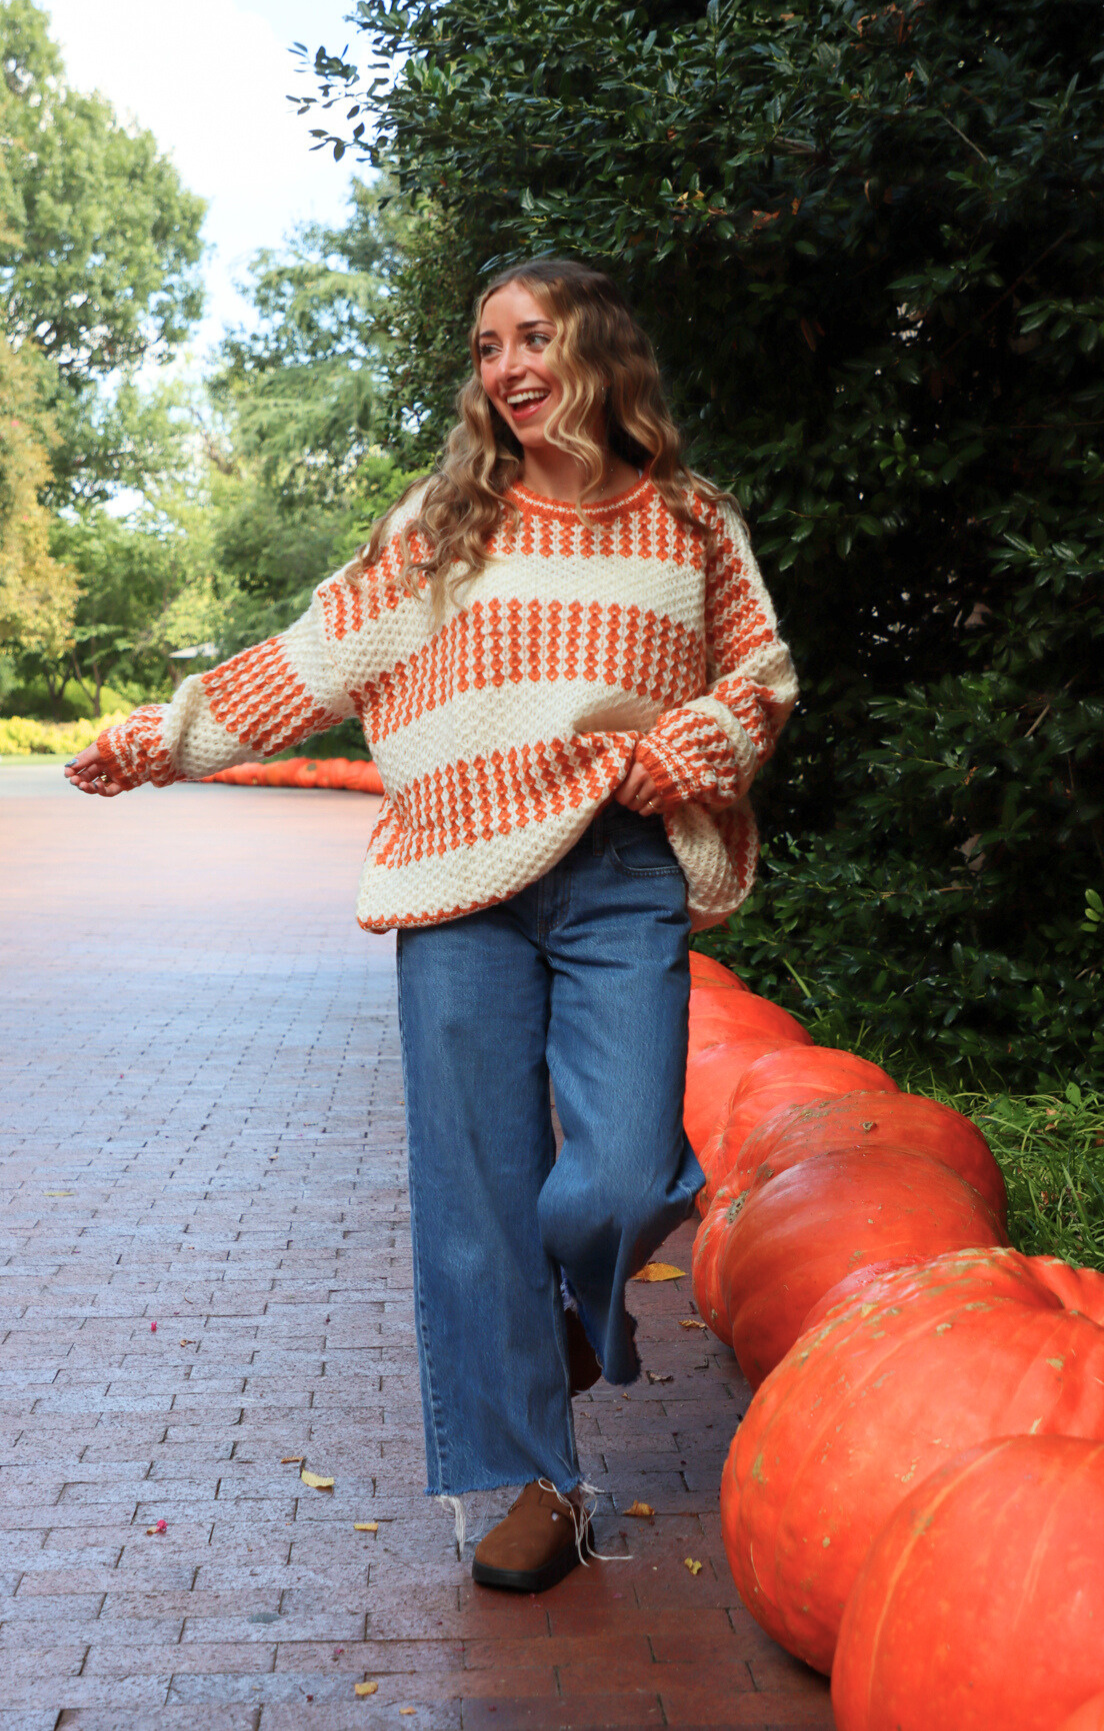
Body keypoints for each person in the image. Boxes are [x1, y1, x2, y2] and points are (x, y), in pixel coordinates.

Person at [65, 257, 798, 1594]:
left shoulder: (689, 521)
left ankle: (576, 1303)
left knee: (627, 1173)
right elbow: (311, 656)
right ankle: (532, 1485)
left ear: (596, 347)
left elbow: (759, 672)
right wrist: (160, 740)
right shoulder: (448, 520)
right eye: (484, 347)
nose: (505, 365)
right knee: (474, 1199)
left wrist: (687, 743)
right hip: (457, 879)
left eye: (531, 335)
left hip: (620, 868)